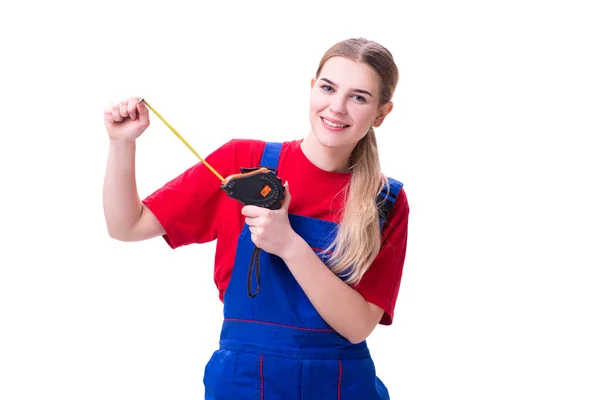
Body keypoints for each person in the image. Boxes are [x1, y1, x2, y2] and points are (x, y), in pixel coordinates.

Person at [103, 37, 409, 399]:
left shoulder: (384, 199)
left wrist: (289, 245)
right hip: (245, 382)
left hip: (343, 385)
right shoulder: (242, 164)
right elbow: (127, 225)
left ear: (381, 113)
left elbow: (358, 326)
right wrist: (122, 144)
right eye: (328, 88)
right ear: (313, 88)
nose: (337, 107)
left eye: (359, 97)